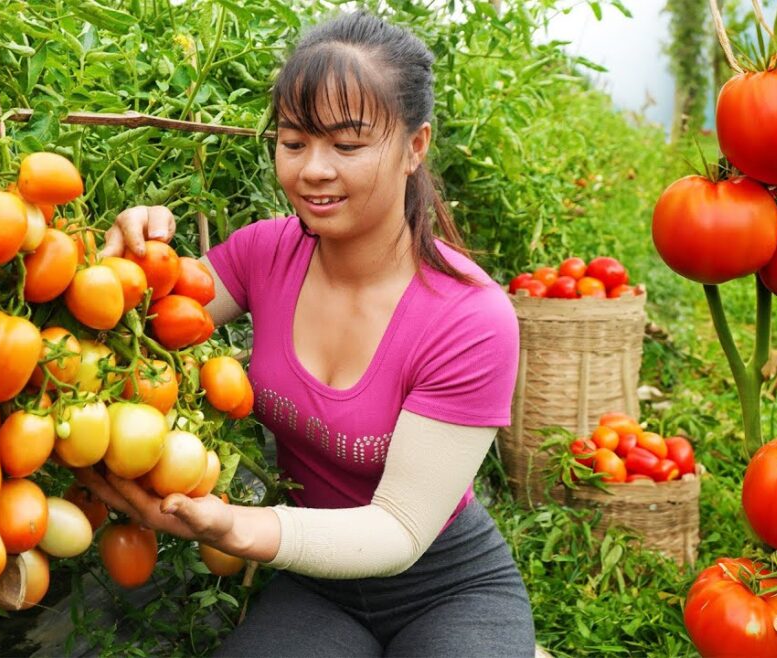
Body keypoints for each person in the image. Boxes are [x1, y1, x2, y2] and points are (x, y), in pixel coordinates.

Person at [79, 11, 535, 657]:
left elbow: (399, 530)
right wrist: (130, 255)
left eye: (347, 146)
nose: (312, 170)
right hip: (320, 584)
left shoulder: (468, 319)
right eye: (293, 142)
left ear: (415, 146)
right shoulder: (264, 254)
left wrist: (237, 528)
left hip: (443, 582)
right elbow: (140, 328)